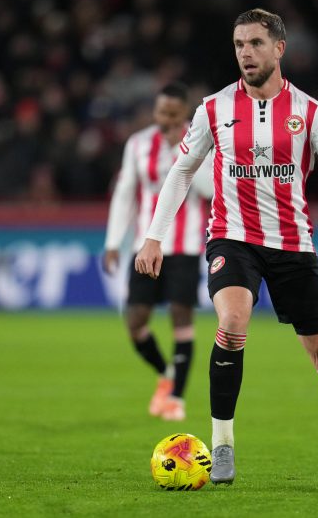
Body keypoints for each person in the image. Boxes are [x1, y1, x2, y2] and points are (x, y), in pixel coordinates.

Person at [135, 8, 318, 487]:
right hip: (233, 238)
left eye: (255, 43)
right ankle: (224, 446)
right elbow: (181, 172)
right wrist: (154, 235)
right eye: (238, 45)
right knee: (232, 323)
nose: (246, 53)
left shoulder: (310, 112)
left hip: (294, 246)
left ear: (279, 48)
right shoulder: (213, 108)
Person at [102, 82, 212, 422]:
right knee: (135, 322)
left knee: (181, 317)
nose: (166, 119)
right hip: (144, 247)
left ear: (185, 115)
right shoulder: (138, 144)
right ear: (155, 111)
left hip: (186, 246)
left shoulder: (198, 142)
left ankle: (176, 397)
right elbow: (125, 193)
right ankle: (167, 372)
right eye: (161, 112)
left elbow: (209, 188)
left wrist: (184, 156)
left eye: (174, 114)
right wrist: (112, 241)